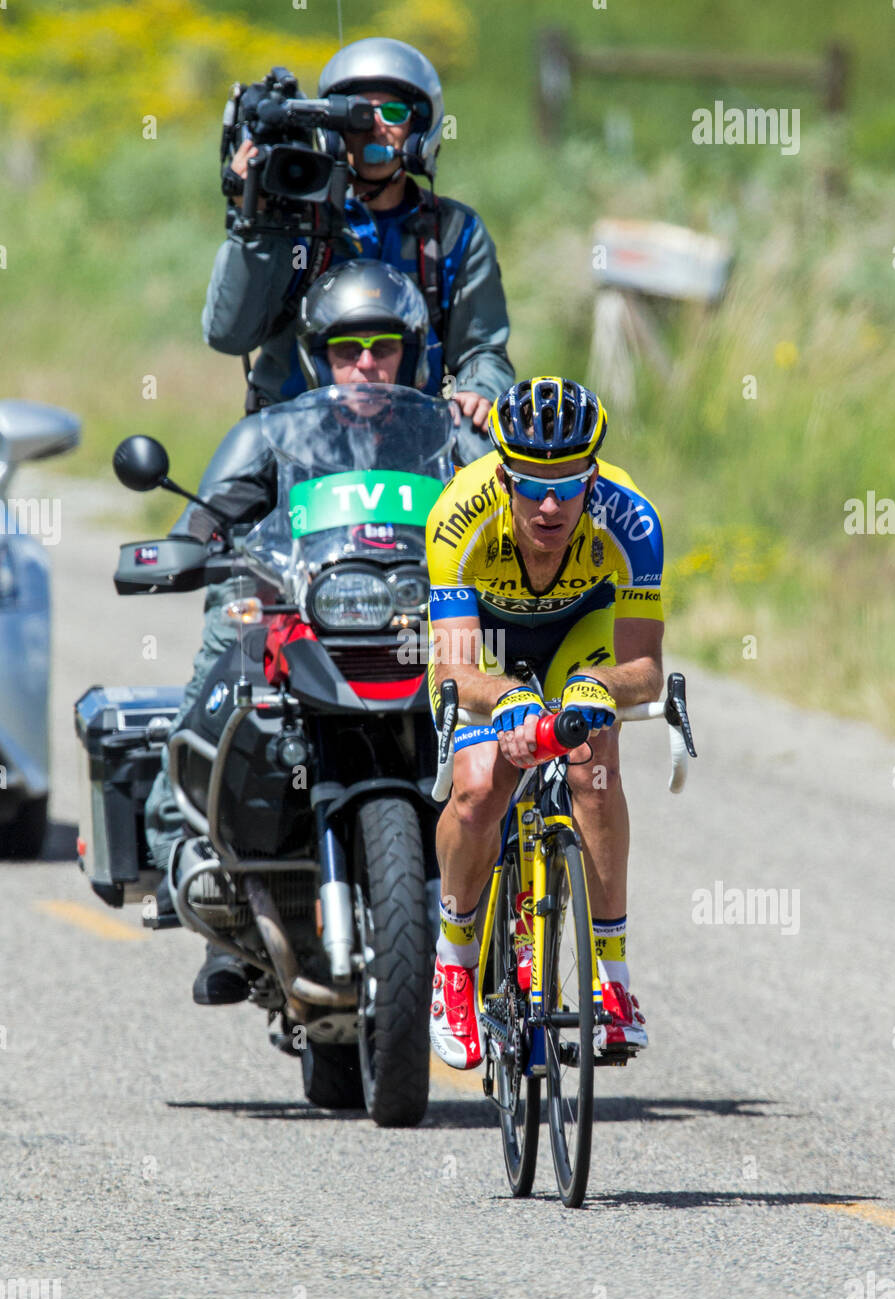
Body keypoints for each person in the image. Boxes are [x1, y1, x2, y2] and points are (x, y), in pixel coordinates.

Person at [145, 260, 438, 1003]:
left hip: (410, 625)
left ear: (410, 350)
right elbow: (201, 524)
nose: (366, 365)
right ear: (317, 355)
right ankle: (184, 851)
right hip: (299, 618)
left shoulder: (448, 438)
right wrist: (195, 554)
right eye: (347, 350)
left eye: (382, 347)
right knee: (224, 652)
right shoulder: (270, 433)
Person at [425, 376, 665, 1069]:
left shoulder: (632, 520)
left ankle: (612, 983)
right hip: (488, 645)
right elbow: (452, 671)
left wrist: (596, 686)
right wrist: (503, 698)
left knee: (592, 765)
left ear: (593, 473)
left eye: (569, 481)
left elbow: (644, 667)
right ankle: (453, 967)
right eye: (532, 484)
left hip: (577, 632)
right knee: (477, 785)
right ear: (503, 475)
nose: (552, 504)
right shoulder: (457, 516)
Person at [204, 37, 513, 463]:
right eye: (356, 114)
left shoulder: (454, 231)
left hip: (420, 452)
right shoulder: (291, 222)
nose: (374, 126)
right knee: (213, 522)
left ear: (421, 126)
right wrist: (251, 222)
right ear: (330, 129)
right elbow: (229, 334)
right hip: (293, 449)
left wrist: (481, 389)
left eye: (393, 112)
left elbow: (482, 349)